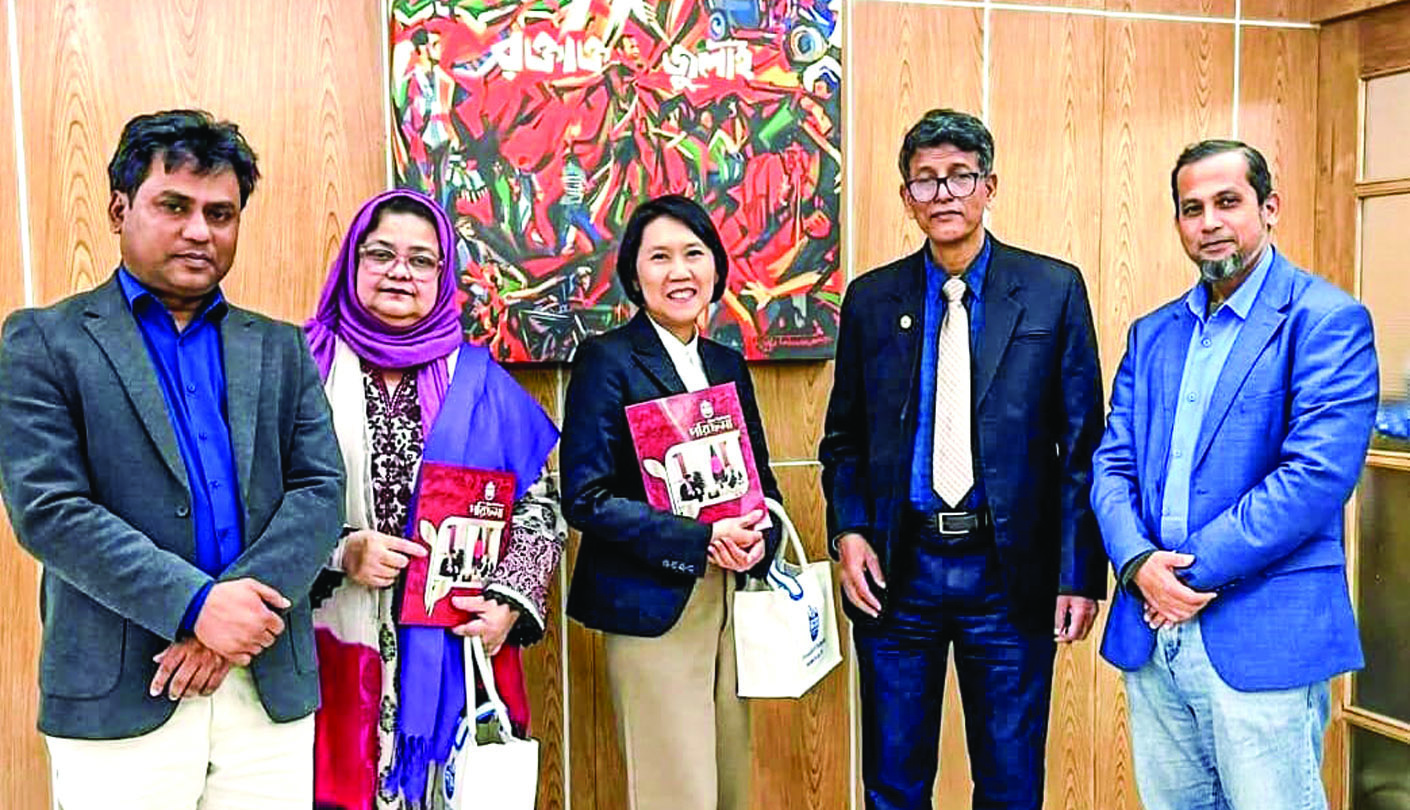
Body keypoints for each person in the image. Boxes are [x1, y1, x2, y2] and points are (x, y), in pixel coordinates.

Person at [0, 109, 345, 808]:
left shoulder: (281, 348)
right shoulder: (45, 342)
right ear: (119, 209)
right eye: (174, 206)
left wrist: (228, 625)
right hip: (122, 689)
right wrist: (195, 605)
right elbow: (49, 509)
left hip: (265, 688)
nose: (199, 231)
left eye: (220, 214)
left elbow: (319, 491)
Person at [819, 108, 1106, 810]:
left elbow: (1083, 447)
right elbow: (844, 439)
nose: (943, 193)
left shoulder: (1052, 290)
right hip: (898, 571)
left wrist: (1078, 573)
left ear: (989, 186)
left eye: (960, 176)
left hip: (1009, 576)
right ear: (906, 197)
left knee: (1010, 785)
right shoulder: (871, 300)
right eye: (926, 180)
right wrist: (849, 531)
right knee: (893, 782)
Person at [1092, 139, 1378, 810]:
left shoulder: (1325, 320)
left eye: (1228, 201)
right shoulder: (1152, 334)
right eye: (1192, 209)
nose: (1209, 222)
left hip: (1262, 634)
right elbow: (1112, 463)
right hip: (1153, 634)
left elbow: (1312, 478)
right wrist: (1138, 563)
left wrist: (1181, 576)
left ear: (1268, 207)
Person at [304, 189, 562, 810]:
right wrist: (339, 552)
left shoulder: (480, 381)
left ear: (443, 276)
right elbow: (257, 499)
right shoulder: (302, 367)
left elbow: (540, 508)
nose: (400, 272)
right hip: (328, 639)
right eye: (381, 254)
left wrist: (506, 604)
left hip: (456, 648)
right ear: (352, 261)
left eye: (422, 260)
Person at [560, 194, 783, 810]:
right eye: (659, 257)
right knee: (675, 792)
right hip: (653, 601)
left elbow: (761, 483)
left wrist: (759, 539)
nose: (679, 271)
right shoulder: (607, 360)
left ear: (715, 267)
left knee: (730, 787)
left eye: (693, 253)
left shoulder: (726, 363)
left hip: (732, 598)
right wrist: (701, 539)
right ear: (634, 275)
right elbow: (585, 497)